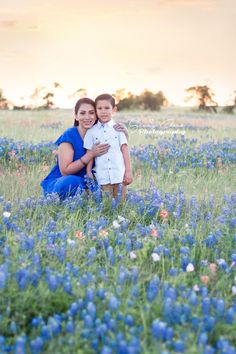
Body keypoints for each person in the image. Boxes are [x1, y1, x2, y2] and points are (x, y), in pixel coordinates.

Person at [40, 97, 128, 200]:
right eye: (82, 113)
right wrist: (91, 154)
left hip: (87, 178)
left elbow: (115, 152)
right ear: (76, 116)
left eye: (91, 113)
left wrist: (125, 134)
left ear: (96, 115)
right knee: (70, 182)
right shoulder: (69, 135)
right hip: (63, 180)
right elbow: (65, 171)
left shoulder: (100, 133)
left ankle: (88, 197)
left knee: (109, 187)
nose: (87, 117)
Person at [84, 93, 133, 199]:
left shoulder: (119, 129)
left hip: (120, 176)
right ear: (96, 111)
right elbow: (89, 153)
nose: (103, 111)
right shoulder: (91, 131)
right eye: (100, 108)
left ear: (114, 110)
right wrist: (88, 171)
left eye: (107, 108)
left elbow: (125, 150)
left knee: (121, 205)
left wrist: (128, 172)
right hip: (103, 177)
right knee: (107, 206)